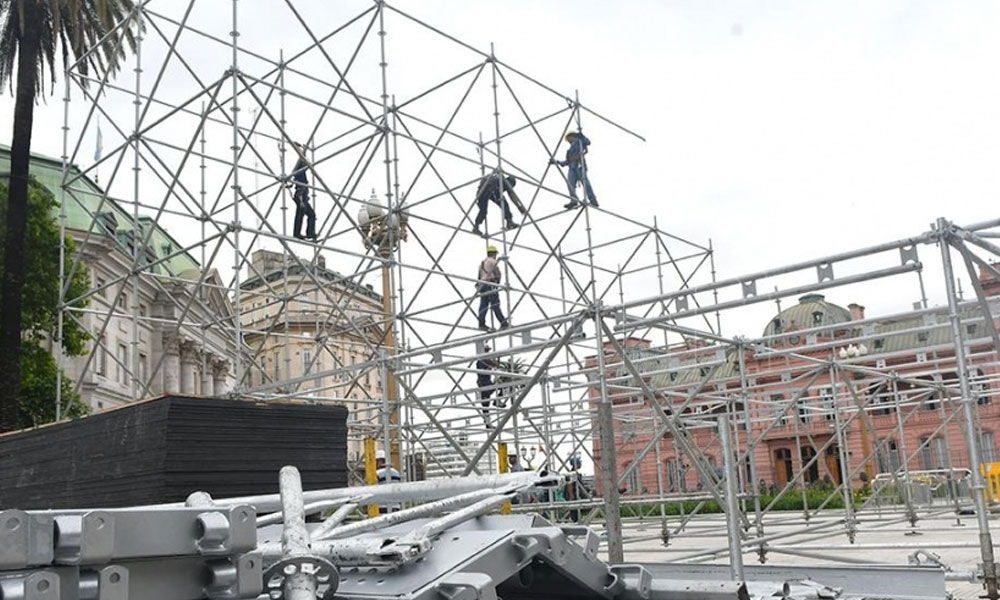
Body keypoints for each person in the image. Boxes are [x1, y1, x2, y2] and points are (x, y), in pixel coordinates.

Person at [550, 131, 597, 209]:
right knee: (570, 184)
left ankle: (593, 200)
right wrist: (556, 162)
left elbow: (588, 142)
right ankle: (574, 201)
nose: (568, 141)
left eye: (569, 139)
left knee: (585, 182)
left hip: (579, 165)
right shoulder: (569, 151)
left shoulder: (579, 142)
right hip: (572, 167)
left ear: (572, 136)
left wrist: (582, 136)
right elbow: (567, 162)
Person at [472, 171, 521, 237]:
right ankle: (509, 222)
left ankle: (476, 226)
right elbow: (512, 195)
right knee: (502, 204)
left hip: (484, 189)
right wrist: (519, 207)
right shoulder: (505, 182)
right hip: (491, 187)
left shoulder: (498, 178)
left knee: (484, 209)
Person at [476, 245, 510, 331]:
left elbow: (479, 277)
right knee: (495, 304)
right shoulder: (493, 261)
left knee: (483, 305)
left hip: (482, 285)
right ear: (494, 254)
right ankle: (503, 323)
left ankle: (481, 324)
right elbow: (498, 274)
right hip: (490, 285)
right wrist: (497, 283)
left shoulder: (482, 263)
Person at [290, 142, 317, 241]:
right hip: (301, 195)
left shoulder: (300, 171)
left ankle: (308, 233)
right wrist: (300, 149)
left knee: (308, 214)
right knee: (304, 214)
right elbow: (303, 159)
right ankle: (302, 233)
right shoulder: (299, 170)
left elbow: (305, 160)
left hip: (303, 195)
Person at [477, 345, 498, 427]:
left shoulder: (486, 360)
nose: (487, 352)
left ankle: (487, 422)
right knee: (485, 403)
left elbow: (494, 364)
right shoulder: (481, 361)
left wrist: (494, 363)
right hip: (483, 383)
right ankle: (487, 422)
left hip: (487, 382)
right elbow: (481, 372)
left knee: (486, 403)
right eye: (486, 351)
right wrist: (489, 368)